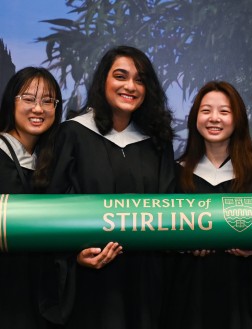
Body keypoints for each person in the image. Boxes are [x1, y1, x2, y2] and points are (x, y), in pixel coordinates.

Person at [43, 45, 175, 329]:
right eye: (120, 76)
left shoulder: (157, 143)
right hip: (92, 283)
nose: (130, 86)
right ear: (104, 80)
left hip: (144, 281)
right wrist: (74, 256)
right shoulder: (74, 134)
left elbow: (169, 209)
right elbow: (51, 212)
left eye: (140, 80)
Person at [161, 81, 252, 329]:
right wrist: (182, 245)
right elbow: (163, 236)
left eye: (224, 112)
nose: (214, 118)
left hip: (246, 300)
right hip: (190, 299)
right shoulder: (175, 174)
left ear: (237, 119)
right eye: (206, 111)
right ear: (195, 118)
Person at [0, 66, 63, 329]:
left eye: (48, 101)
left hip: (34, 298)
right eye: (28, 99)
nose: (38, 109)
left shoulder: (50, 166)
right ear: (11, 102)